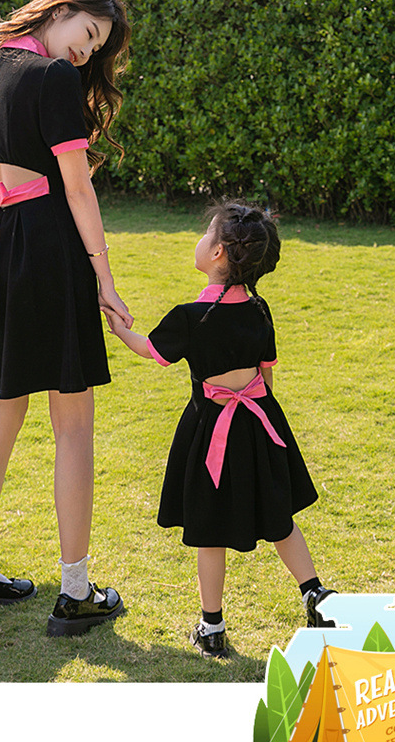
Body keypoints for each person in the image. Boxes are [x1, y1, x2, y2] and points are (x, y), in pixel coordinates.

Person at [0, 0, 132, 637]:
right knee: (73, 422)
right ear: (62, 8)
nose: (87, 52)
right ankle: (75, 593)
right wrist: (105, 279)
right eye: (89, 34)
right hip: (44, 247)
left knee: (0, 413)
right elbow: (77, 190)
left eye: (97, 47)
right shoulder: (53, 79)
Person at [102, 201, 336, 658]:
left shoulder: (191, 316)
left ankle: (212, 627)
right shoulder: (259, 309)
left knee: (209, 530)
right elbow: (266, 374)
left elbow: (151, 351)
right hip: (261, 425)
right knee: (279, 517)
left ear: (218, 253)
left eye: (207, 233)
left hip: (212, 431)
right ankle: (315, 594)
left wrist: (116, 328)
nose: (201, 239)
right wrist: (265, 424)